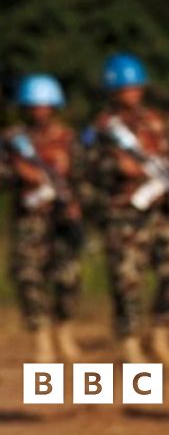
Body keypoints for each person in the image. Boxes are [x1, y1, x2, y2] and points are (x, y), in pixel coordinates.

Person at [88, 53, 169, 363]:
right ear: (113, 91)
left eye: (136, 87)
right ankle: (130, 342)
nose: (132, 93)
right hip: (123, 214)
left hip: (160, 211)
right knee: (127, 280)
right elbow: (87, 169)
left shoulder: (155, 121)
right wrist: (117, 167)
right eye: (125, 88)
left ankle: (160, 334)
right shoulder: (102, 128)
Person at [1, 74, 85, 362]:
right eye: (33, 106)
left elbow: (84, 177)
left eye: (45, 105)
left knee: (68, 278)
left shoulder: (68, 139)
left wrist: (77, 203)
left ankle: (64, 329)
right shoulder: (13, 140)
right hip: (29, 221)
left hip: (62, 220)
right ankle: (41, 338)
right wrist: (18, 173)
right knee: (28, 277)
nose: (40, 111)